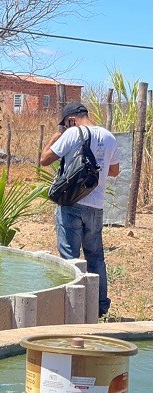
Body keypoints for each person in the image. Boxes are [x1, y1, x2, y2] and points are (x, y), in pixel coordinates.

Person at [40, 102, 120, 317]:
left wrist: (56, 136)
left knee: (70, 257)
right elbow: (114, 171)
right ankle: (100, 306)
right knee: (96, 258)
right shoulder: (109, 136)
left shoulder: (72, 133)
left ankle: (71, 308)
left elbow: (44, 159)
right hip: (96, 206)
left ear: (71, 120)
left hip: (72, 204)